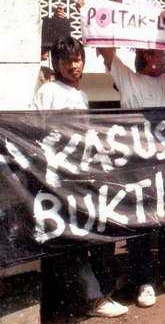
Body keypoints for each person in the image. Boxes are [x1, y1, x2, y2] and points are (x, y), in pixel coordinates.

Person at [94, 24, 165, 307]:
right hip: (135, 169)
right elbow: (108, 51)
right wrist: (95, 16)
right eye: (158, 54)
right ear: (147, 56)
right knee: (140, 226)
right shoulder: (127, 79)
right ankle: (145, 282)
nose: (163, 58)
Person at [33, 37, 128, 318]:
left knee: (87, 237)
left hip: (79, 177)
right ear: (56, 64)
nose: (73, 66)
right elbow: (36, 132)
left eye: (77, 59)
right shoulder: (48, 92)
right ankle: (93, 297)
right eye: (66, 61)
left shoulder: (81, 95)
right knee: (71, 240)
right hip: (58, 178)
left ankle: (92, 294)